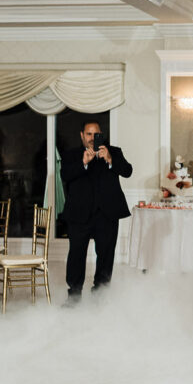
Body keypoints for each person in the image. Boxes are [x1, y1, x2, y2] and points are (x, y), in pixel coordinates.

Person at [60, 120, 132, 300]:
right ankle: (74, 295)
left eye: (96, 134)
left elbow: (128, 171)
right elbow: (65, 175)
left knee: (106, 255)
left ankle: (100, 295)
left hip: (107, 214)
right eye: (89, 134)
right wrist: (83, 163)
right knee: (76, 254)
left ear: (102, 135)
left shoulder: (113, 151)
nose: (92, 138)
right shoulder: (71, 154)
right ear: (82, 135)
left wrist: (110, 159)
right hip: (79, 214)